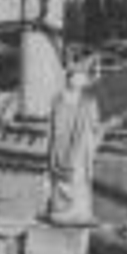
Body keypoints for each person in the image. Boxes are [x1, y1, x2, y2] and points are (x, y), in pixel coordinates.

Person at [45, 60, 103, 225]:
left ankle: (80, 211)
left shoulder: (89, 102)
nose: (77, 80)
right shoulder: (59, 99)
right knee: (63, 178)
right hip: (62, 144)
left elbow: (95, 126)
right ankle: (61, 210)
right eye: (74, 76)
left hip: (82, 147)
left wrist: (105, 127)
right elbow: (55, 123)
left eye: (81, 77)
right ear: (68, 78)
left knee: (80, 178)